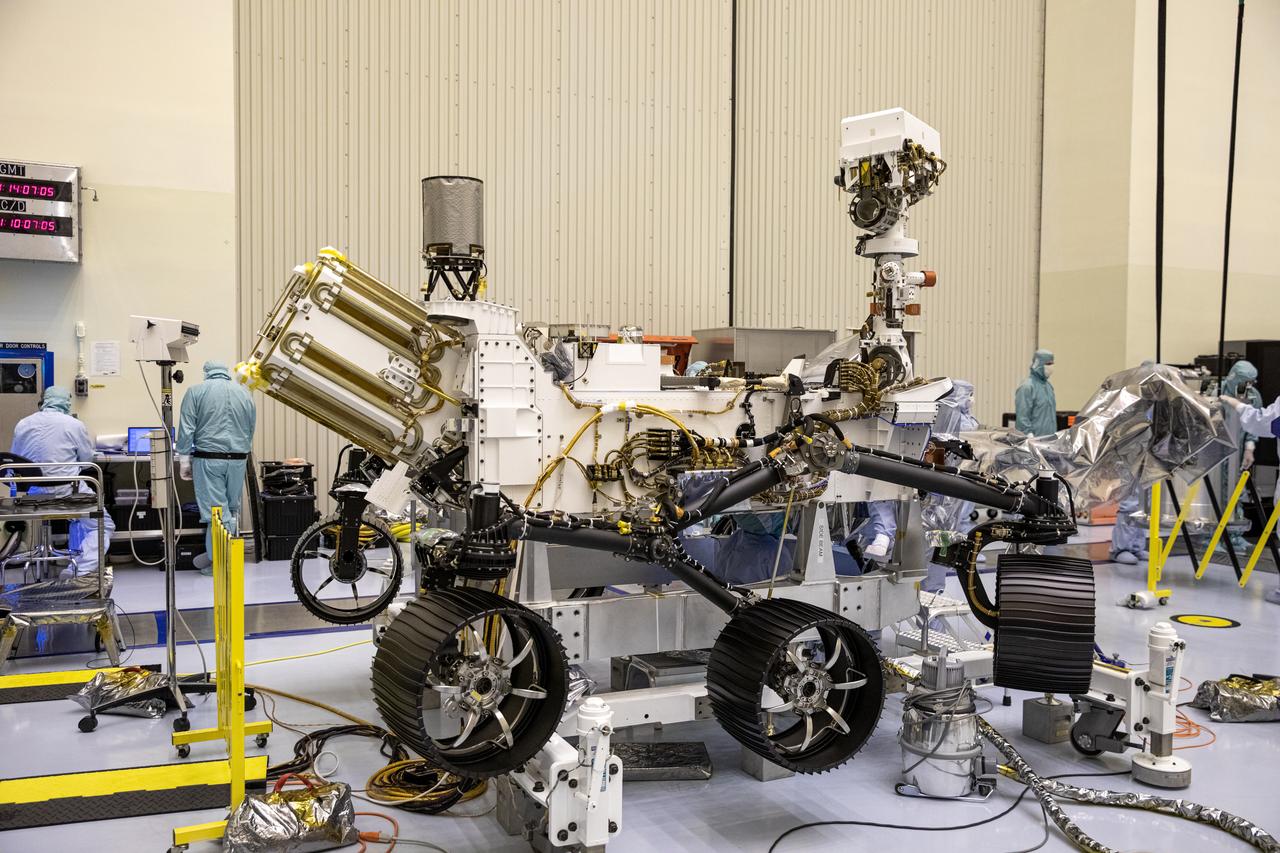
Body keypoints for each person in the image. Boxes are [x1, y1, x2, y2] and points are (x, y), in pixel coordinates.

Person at [9, 385, 115, 581]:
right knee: (103, 524)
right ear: (66, 402)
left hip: (33, 495)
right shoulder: (73, 424)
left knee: (80, 514)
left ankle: (49, 556)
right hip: (67, 493)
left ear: (43, 401)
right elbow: (87, 459)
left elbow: (15, 459)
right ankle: (80, 569)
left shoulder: (23, 423)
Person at [177, 361, 256, 574]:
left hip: (209, 460)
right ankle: (217, 556)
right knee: (230, 509)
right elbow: (250, 428)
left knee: (217, 513)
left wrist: (184, 461)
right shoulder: (244, 393)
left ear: (207, 373)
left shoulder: (196, 392)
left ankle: (222, 563)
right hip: (239, 459)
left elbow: (186, 428)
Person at [1014, 349, 1058, 437]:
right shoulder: (1027, 387)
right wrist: (1029, 436)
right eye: (1048, 364)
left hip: (1049, 441)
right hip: (1034, 442)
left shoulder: (1048, 387)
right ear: (1038, 364)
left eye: (1052, 363)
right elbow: (1022, 418)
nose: (1051, 366)